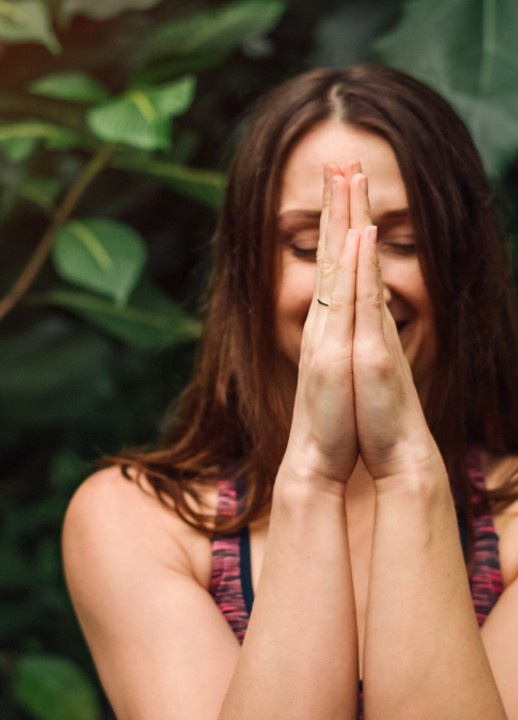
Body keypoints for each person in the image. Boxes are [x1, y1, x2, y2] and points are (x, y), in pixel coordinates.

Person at [62, 65, 518, 720]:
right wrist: (313, 475)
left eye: (402, 242)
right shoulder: (136, 521)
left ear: (462, 265)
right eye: (309, 246)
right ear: (250, 272)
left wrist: (405, 472)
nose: (359, 279)